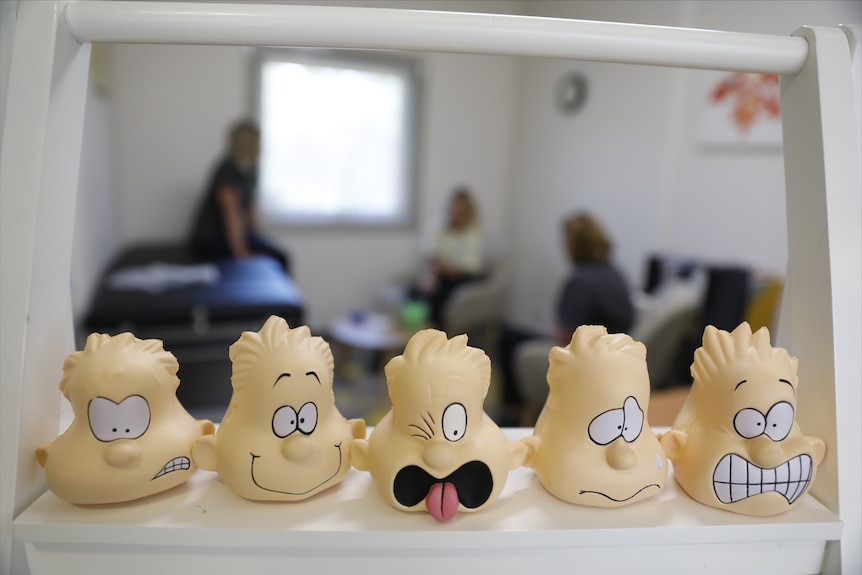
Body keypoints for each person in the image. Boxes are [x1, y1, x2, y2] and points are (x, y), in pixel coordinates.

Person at [498, 212, 635, 423]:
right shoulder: (615, 273)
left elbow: (566, 334)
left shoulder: (580, 281)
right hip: (609, 351)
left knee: (507, 336)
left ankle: (514, 412)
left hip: (585, 356)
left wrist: (547, 330)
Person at [189, 119, 291, 274]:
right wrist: (241, 253)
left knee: (281, 256)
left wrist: (254, 235)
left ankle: (282, 296)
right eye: (258, 143)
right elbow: (231, 214)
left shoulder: (249, 171)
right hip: (211, 240)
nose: (261, 148)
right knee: (278, 257)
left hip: (233, 235)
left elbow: (250, 210)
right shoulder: (227, 170)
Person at [409, 187, 485, 329]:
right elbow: (431, 255)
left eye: (459, 210)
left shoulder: (473, 233)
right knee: (414, 291)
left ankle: (439, 341)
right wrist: (431, 275)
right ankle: (411, 338)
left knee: (436, 298)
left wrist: (436, 273)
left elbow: (464, 268)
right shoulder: (437, 225)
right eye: (452, 208)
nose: (454, 213)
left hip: (462, 278)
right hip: (439, 273)